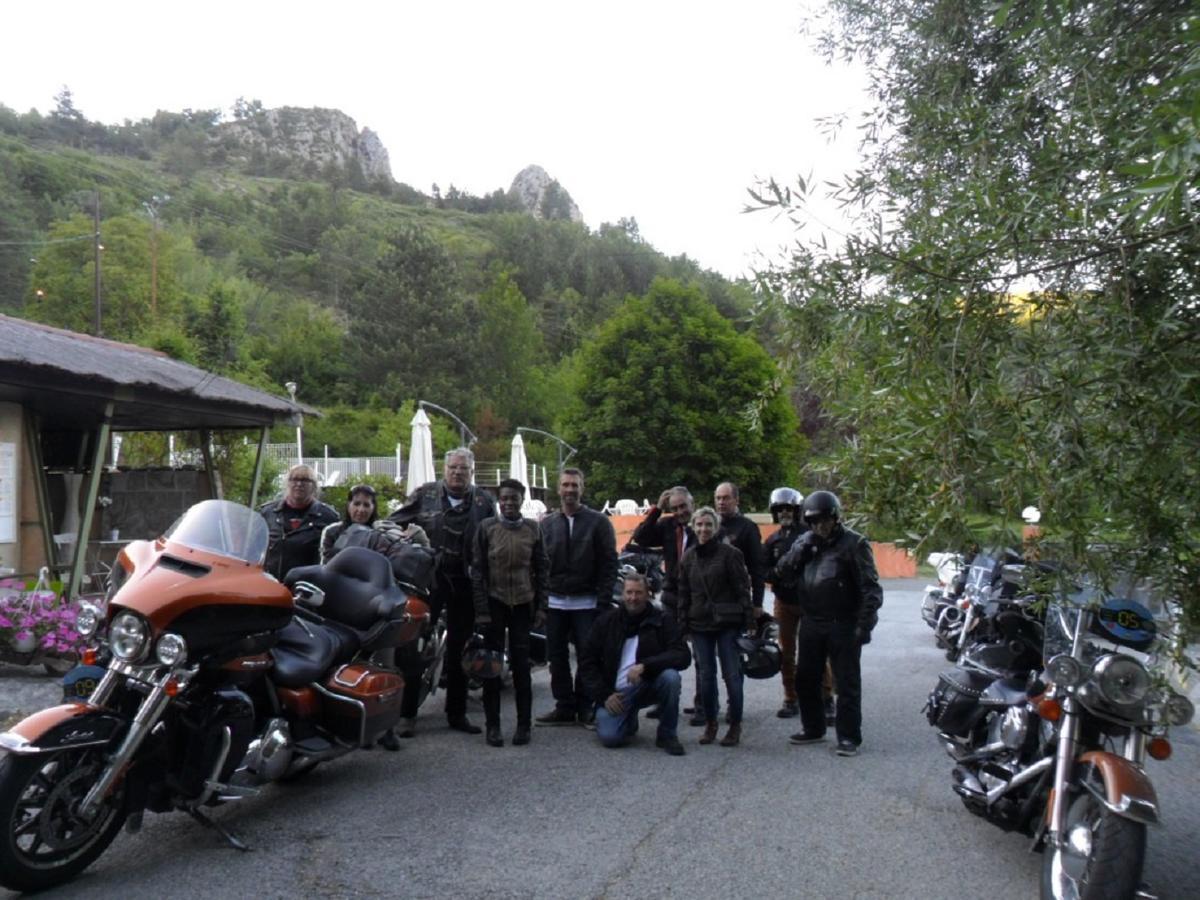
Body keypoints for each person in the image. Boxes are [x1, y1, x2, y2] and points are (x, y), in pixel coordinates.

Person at [388, 448, 497, 737]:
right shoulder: (425, 494)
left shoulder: (485, 501)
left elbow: (494, 540)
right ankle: (407, 714)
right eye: (453, 468)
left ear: (472, 472)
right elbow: (392, 522)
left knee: (461, 648)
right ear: (444, 469)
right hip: (428, 581)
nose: (458, 473)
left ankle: (457, 713)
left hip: (466, 584)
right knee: (414, 645)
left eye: (463, 469)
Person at [771, 490, 882, 757]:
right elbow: (781, 572)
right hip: (811, 620)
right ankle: (813, 727)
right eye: (814, 521)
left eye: (825, 520)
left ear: (835, 517)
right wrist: (800, 550)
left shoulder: (854, 544)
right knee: (806, 678)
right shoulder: (806, 541)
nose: (820, 526)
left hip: (843, 622)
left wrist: (863, 626)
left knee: (846, 682)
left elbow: (871, 589)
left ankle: (848, 737)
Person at [535, 467, 618, 728]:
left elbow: (609, 563)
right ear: (558, 489)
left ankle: (585, 706)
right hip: (555, 602)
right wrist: (540, 601)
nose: (570, 490)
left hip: (588, 601)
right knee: (556, 658)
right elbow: (538, 565)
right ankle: (564, 706)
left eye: (575, 485)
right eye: (566, 485)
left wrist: (603, 603)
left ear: (582, 489)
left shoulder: (599, 522)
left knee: (587, 657)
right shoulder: (546, 524)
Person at [471, 478, 549, 748]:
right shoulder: (487, 528)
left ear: (521, 499)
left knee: (521, 666)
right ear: (498, 501)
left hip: (523, 603)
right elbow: (478, 571)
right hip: (494, 602)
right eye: (504, 498)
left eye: (513, 498)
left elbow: (542, 570)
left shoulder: (533, 529)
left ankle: (523, 725)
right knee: (492, 667)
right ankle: (492, 726)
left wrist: (541, 607)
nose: (508, 503)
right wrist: (481, 610)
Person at [578, 572, 691, 755]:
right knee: (610, 738)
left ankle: (667, 735)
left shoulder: (662, 620)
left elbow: (683, 655)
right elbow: (586, 662)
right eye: (629, 592)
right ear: (622, 594)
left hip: (647, 684)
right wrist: (604, 695)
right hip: (615, 693)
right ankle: (628, 718)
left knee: (671, 678)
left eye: (638, 593)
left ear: (648, 594)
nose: (633, 598)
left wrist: (646, 665)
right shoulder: (606, 621)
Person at [677, 506, 753, 747]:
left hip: (727, 623)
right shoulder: (688, 556)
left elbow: (743, 589)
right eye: (699, 524)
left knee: (732, 675)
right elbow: (684, 593)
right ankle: (711, 723)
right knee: (706, 677)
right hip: (700, 625)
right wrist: (683, 624)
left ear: (716, 527)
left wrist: (749, 621)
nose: (703, 529)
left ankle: (735, 725)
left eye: (708, 524)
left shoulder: (730, 554)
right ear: (693, 527)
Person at [259, 464, 338, 581]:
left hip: (308, 587)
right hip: (271, 584)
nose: (299, 484)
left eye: (305, 480)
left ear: (314, 486)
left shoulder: (328, 516)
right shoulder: (268, 513)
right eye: (294, 479)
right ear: (287, 483)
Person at [629, 486, 696, 619]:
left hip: (697, 595)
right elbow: (640, 537)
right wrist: (657, 510)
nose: (680, 512)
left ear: (692, 504)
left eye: (683, 506)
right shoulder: (668, 525)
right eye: (674, 509)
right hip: (672, 594)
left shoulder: (704, 526)